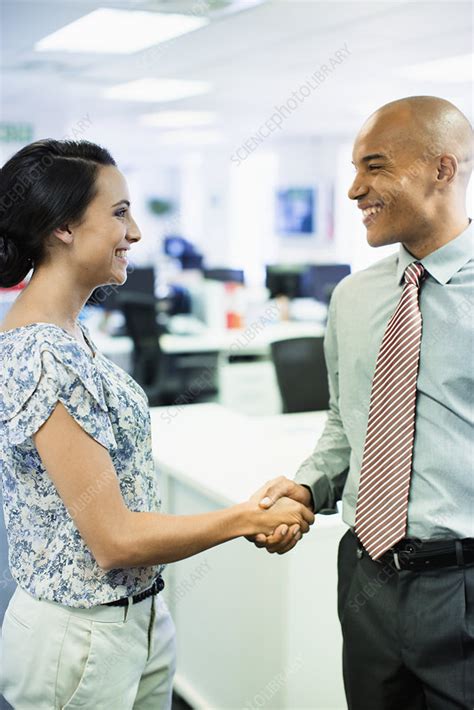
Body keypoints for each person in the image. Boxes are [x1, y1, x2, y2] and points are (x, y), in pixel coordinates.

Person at [0, 139, 315, 709]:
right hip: (79, 638)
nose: (137, 232)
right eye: (119, 213)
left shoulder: (69, 336)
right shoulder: (42, 352)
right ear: (63, 227)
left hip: (132, 620)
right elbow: (115, 540)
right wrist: (247, 517)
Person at [249, 96, 474, 709]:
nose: (354, 190)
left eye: (374, 166)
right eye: (354, 168)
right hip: (367, 578)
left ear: (441, 170)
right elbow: (347, 423)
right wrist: (307, 487)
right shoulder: (353, 297)